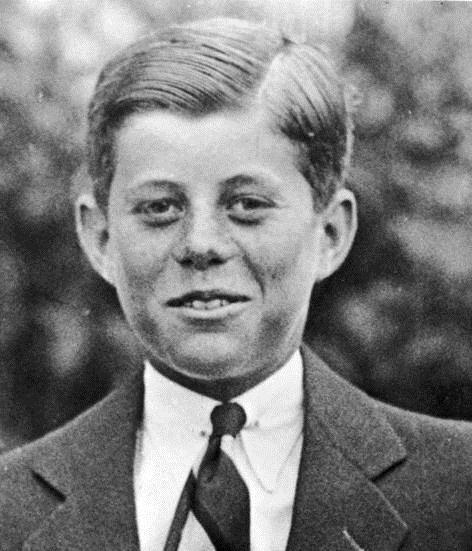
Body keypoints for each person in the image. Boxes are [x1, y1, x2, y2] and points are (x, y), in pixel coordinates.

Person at [1, 17, 472, 551]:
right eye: (159, 207)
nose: (201, 244)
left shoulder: (457, 491)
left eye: (247, 204)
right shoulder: (10, 511)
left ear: (331, 233)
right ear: (101, 237)